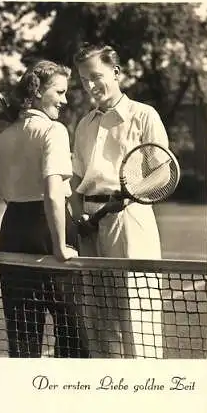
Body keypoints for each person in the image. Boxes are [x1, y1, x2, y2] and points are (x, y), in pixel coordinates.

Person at [70, 43, 170, 359]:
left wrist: (129, 194)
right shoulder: (83, 124)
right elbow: (76, 180)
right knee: (99, 323)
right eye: (84, 80)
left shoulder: (143, 115)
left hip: (130, 219)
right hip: (89, 224)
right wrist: (77, 216)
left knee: (137, 320)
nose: (90, 86)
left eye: (96, 77)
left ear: (115, 73)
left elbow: (162, 172)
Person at [0, 60, 89, 358]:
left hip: (12, 229)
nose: (64, 100)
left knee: (23, 339)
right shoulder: (54, 130)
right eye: (59, 92)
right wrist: (60, 246)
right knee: (73, 337)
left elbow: (5, 192)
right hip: (48, 231)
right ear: (37, 93)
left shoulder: (5, 135)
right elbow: (52, 192)